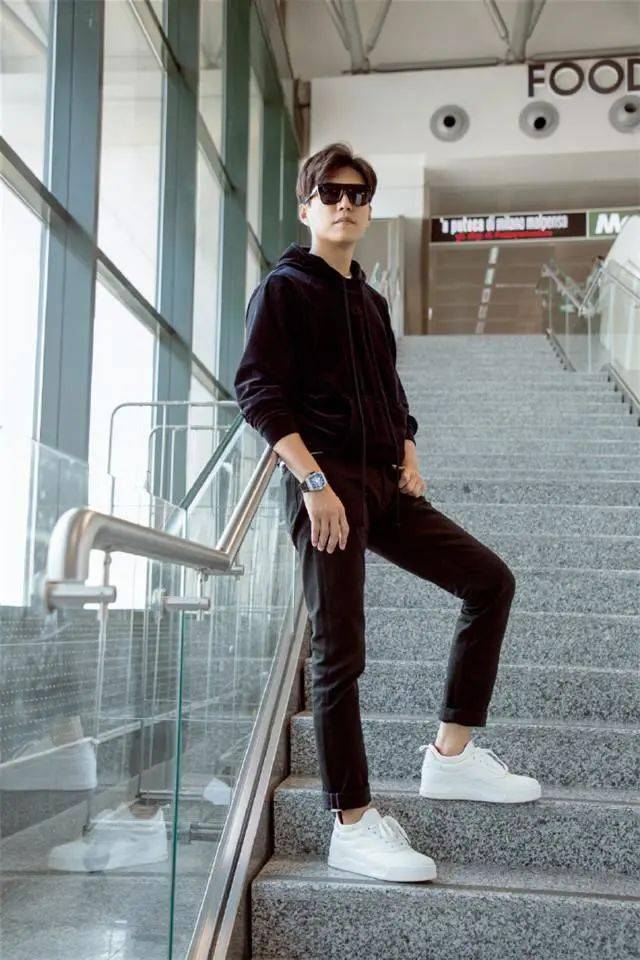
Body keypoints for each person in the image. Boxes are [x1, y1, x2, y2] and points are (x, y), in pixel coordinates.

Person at [234, 141, 541, 884]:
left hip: (385, 484)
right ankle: (351, 822)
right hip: (326, 483)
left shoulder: (371, 303)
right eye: (330, 193)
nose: (344, 204)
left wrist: (408, 448)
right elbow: (258, 392)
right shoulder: (283, 290)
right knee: (340, 650)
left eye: (357, 195)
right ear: (306, 207)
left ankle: (452, 756)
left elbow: (392, 395)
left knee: (489, 581)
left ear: (369, 211)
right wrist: (313, 483)